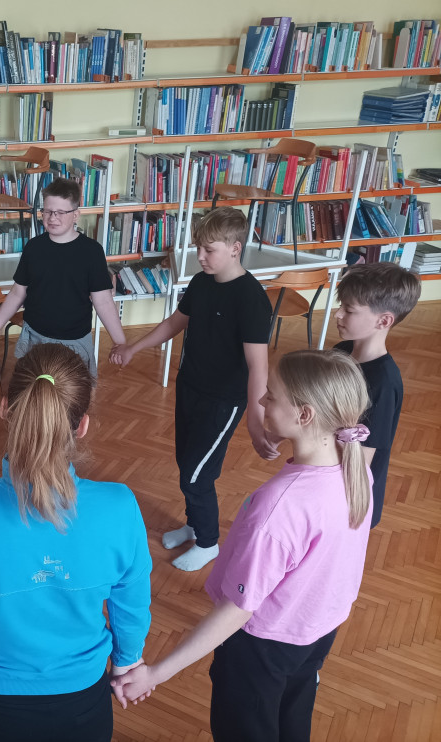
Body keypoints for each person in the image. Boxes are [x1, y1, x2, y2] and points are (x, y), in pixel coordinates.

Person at [112, 349, 373, 742]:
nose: (262, 400)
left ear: (305, 415)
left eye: (272, 395)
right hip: (316, 631)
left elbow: (237, 610)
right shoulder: (357, 472)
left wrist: (156, 673)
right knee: (293, 716)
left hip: (262, 647)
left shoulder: (280, 507)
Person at [0, 344, 152, 742]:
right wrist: (127, 661)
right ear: (82, 425)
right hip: (82, 706)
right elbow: (131, 604)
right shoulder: (120, 507)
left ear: (5, 409)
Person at [110, 207, 277, 571]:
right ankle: (194, 524)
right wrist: (134, 347)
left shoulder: (250, 299)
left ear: (235, 248)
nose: (200, 256)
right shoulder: (202, 282)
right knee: (186, 462)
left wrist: (256, 419)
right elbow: (174, 323)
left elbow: (258, 366)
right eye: (198, 247)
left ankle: (208, 542)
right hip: (190, 387)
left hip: (224, 401)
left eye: (208, 249)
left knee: (197, 474)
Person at [0, 177, 126, 376]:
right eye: (47, 211)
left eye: (60, 212)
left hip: (74, 341)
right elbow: (17, 293)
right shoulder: (33, 247)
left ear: (76, 215)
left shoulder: (92, 252)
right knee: (34, 389)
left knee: (72, 393)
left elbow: (104, 301)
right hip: (35, 337)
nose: (52, 218)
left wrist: (120, 342)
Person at [334, 261, 420, 527]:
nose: (338, 314)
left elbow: (361, 461)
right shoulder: (340, 352)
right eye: (341, 305)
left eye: (349, 310)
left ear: (384, 320)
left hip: (350, 500)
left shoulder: (383, 383)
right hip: (326, 473)